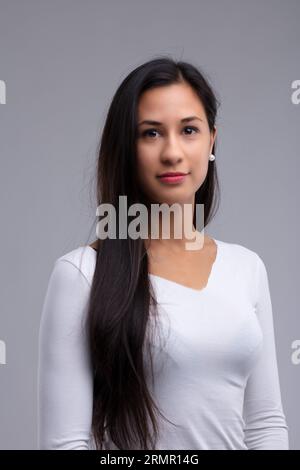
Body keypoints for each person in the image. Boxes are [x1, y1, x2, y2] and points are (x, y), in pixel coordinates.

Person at [38, 56, 289, 450]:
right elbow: (64, 444)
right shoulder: (82, 274)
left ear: (212, 141)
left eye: (189, 129)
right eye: (151, 134)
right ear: (127, 147)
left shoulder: (246, 268)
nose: (172, 152)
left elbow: (265, 425)